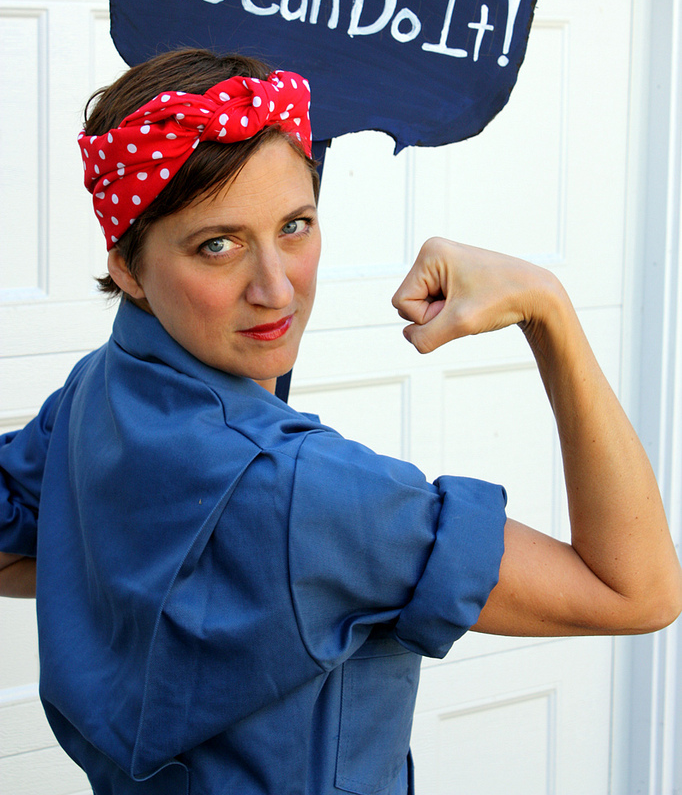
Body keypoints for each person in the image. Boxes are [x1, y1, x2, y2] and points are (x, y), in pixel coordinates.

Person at [0, 47, 680, 795]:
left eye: (295, 226)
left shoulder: (95, 392)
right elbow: (637, 591)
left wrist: (116, 580)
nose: (275, 288)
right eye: (217, 245)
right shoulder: (307, 492)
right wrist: (546, 308)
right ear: (128, 267)